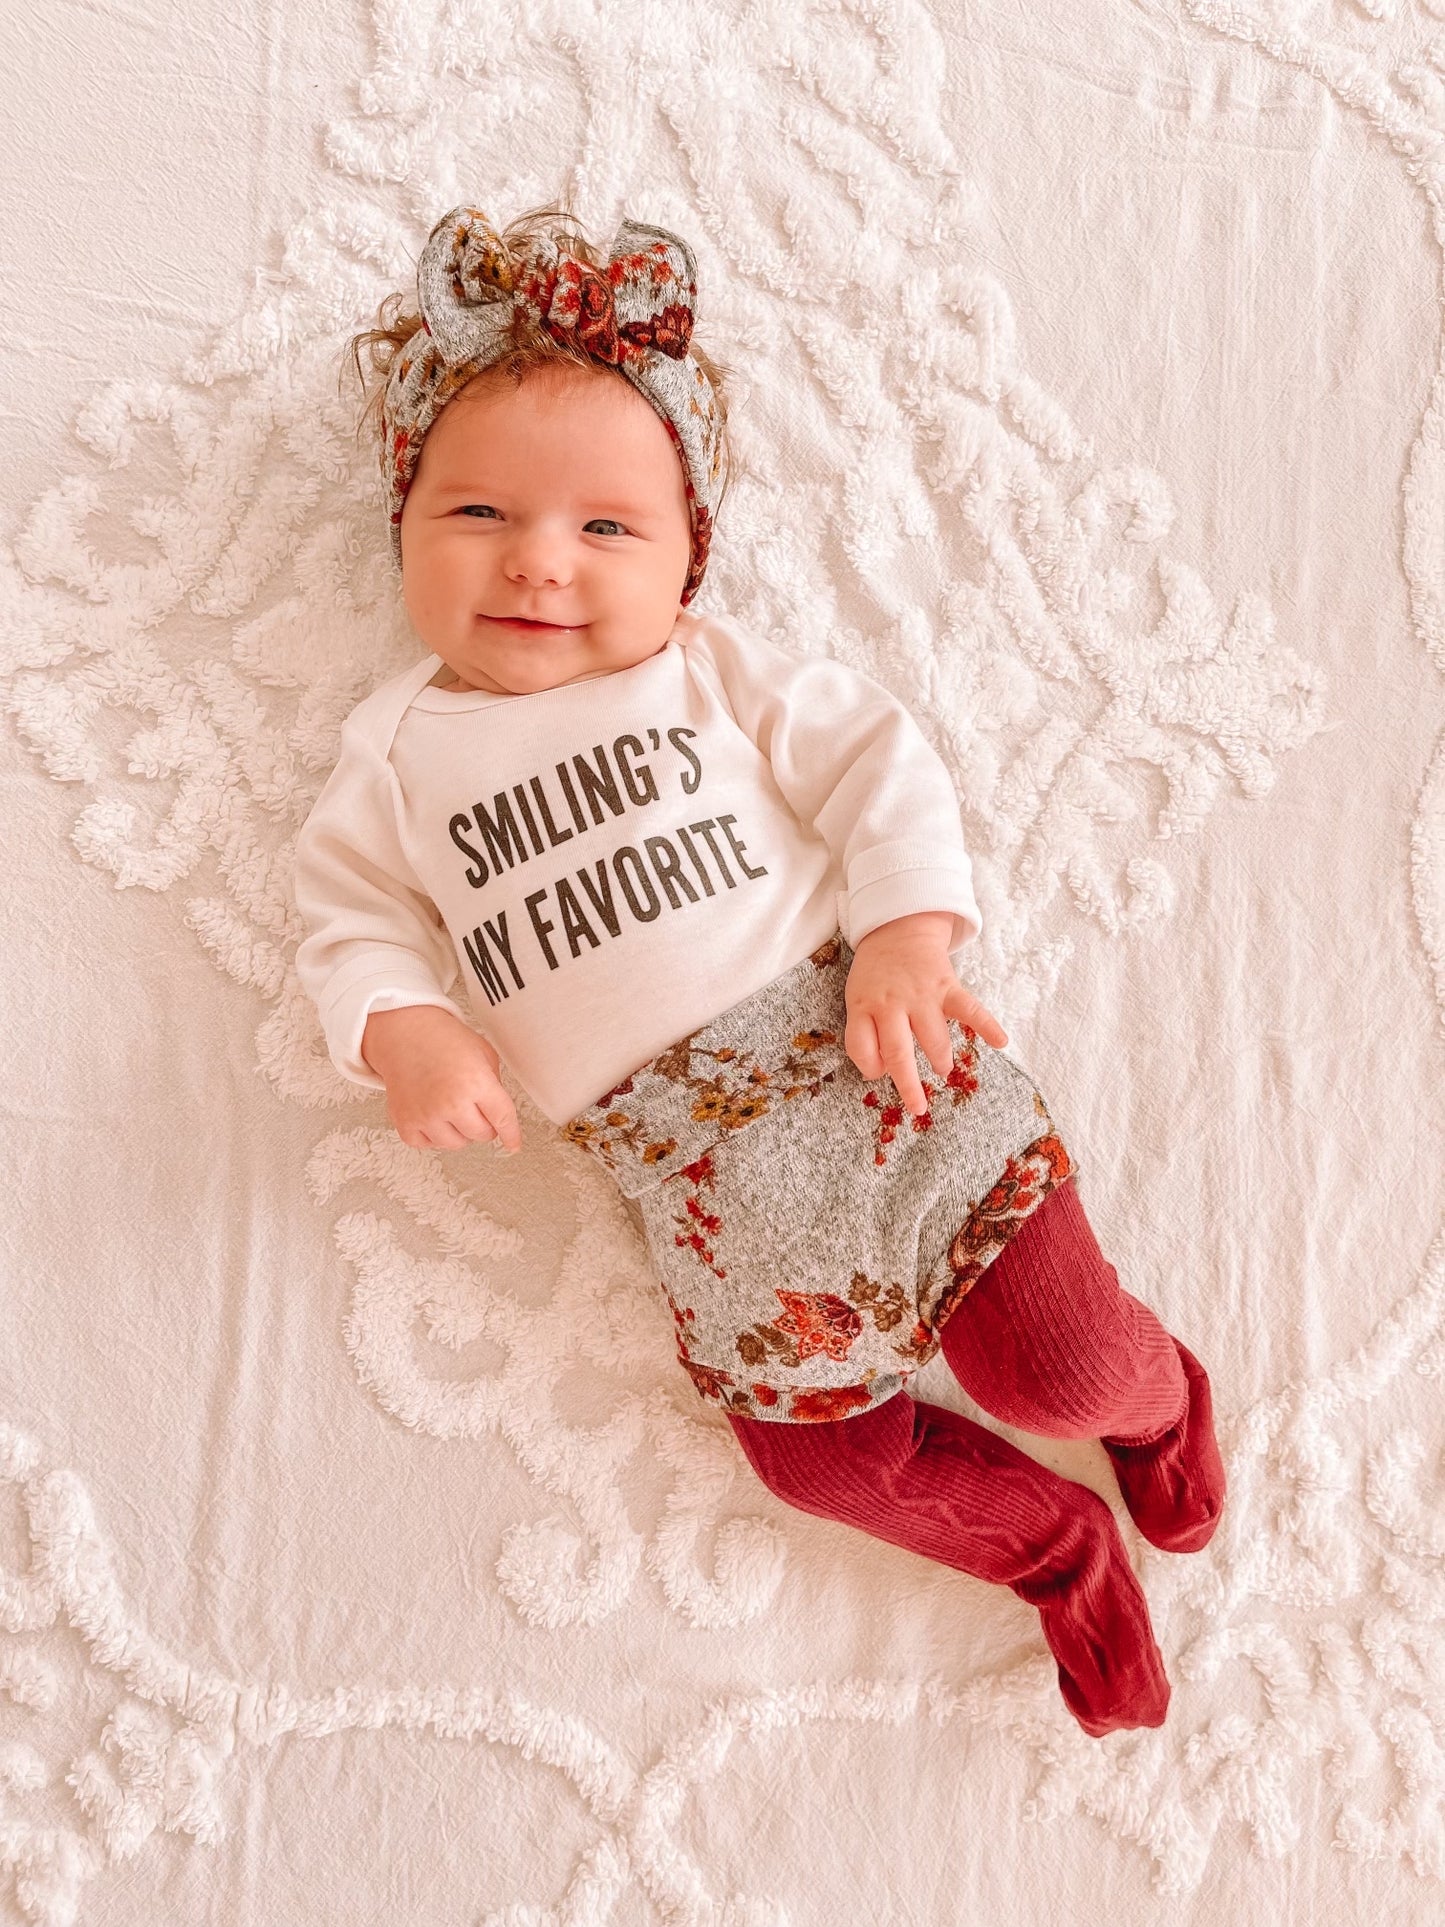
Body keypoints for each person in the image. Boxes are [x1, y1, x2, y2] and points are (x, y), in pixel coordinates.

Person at [293, 201, 1227, 1739]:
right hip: (697, 1186)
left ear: (686, 557)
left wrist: (908, 932)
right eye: (474, 517)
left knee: (1053, 1372)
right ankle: (1054, 1556)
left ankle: (1157, 1399)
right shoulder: (389, 754)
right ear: (401, 526)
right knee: (821, 1465)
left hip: (879, 1072)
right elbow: (350, 919)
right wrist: (405, 1030)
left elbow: (874, 764)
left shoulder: (707, 673)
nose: (537, 563)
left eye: (605, 529)